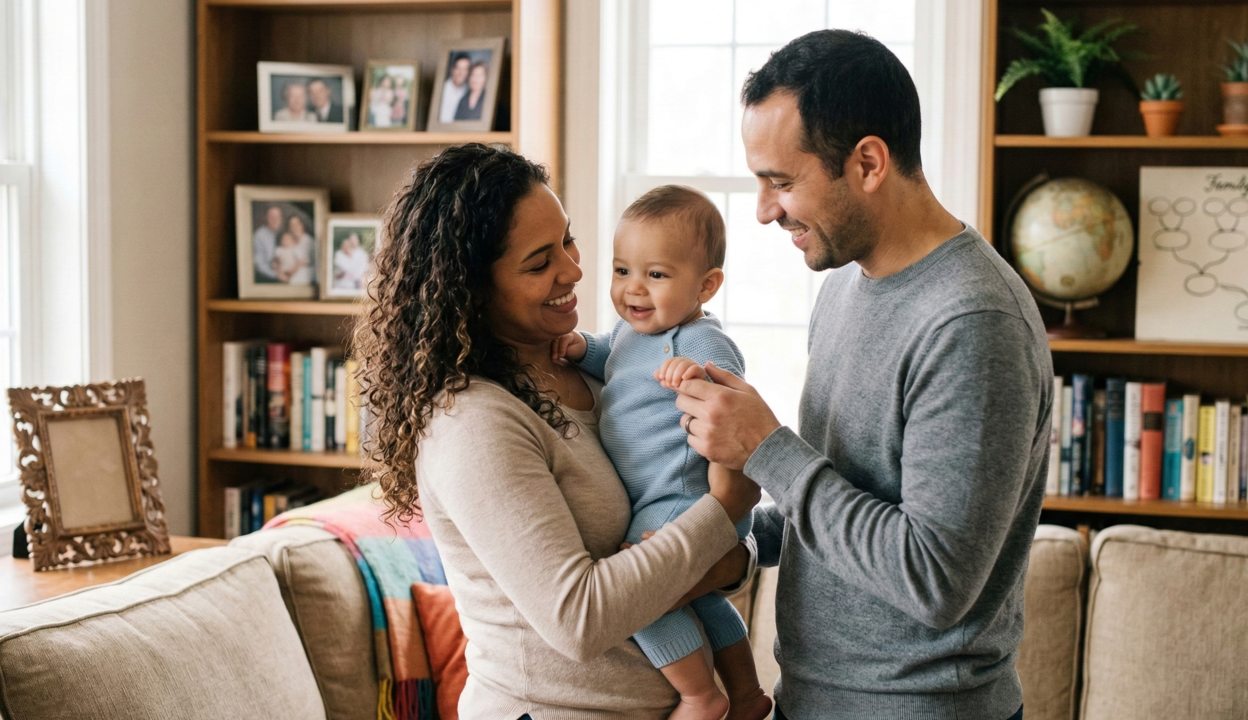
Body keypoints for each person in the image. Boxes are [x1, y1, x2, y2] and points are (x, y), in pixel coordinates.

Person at [671, 30, 1052, 720]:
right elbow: (842, 504)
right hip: (811, 699)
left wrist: (768, 449)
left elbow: (932, 578)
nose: (762, 211)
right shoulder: (845, 284)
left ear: (869, 162)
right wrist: (739, 546)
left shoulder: (973, 322)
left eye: (782, 182)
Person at [352, 143, 762, 720]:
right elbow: (579, 618)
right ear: (470, 289)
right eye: (540, 262)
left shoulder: (599, 373)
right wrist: (723, 513)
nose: (574, 269)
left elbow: (697, 541)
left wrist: (731, 556)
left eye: (567, 240)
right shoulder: (472, 421)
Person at [552, 185, 771, 720]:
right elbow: (612, 355)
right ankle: (747, 693)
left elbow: (731, 392)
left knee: (636, 592)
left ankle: (701, 695)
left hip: (682, 493)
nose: (634, 290)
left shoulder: (699, 340)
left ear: (707, 285)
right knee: (700, 598)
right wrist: (585, 347)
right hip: (660, 495)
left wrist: (694, 376)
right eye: (622, 270)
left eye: (656, 275)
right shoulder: (632, 334)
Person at [253, 204, 284, 282]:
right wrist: (277, 276)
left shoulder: (282, 235)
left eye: (278, 217)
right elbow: (259, 265)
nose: (275, 219)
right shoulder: (259, 236)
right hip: (267, 279)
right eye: (272, 217)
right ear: (266, 218)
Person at [438, 54, 471, 124]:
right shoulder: (443, 89)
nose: (461, 73)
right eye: (458, 68)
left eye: (465, 69)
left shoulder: (468, 90)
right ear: (452, 69)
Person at [285, 214, 315, 285]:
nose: (294, 227)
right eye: (292, 225)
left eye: (296, 224)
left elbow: (308, 262)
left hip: (307, 273)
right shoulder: (289, 242)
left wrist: (294, 268)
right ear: (289, 229)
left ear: (302, 225)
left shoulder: (309, 241)